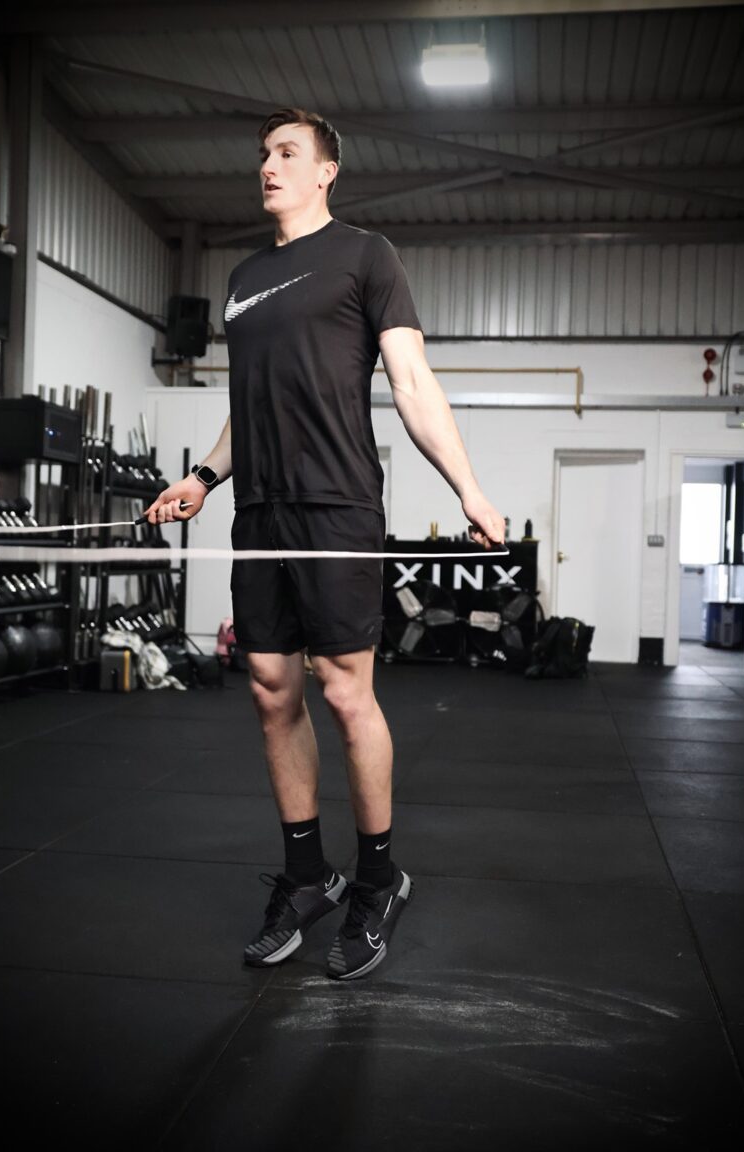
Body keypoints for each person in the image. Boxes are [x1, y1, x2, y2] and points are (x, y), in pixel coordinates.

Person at [147, 107, 505, 981]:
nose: (267, 166)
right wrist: (204, 476)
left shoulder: (365, 256)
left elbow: (413, 382)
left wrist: (469, 486)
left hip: (339, 506)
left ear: (325, 172)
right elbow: (250, 404)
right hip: (260, 510)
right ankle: (308, 879)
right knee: (272, 689)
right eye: (263, 153)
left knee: (346, 695)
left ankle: (379, 880)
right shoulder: (242, 278)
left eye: (286, 153)